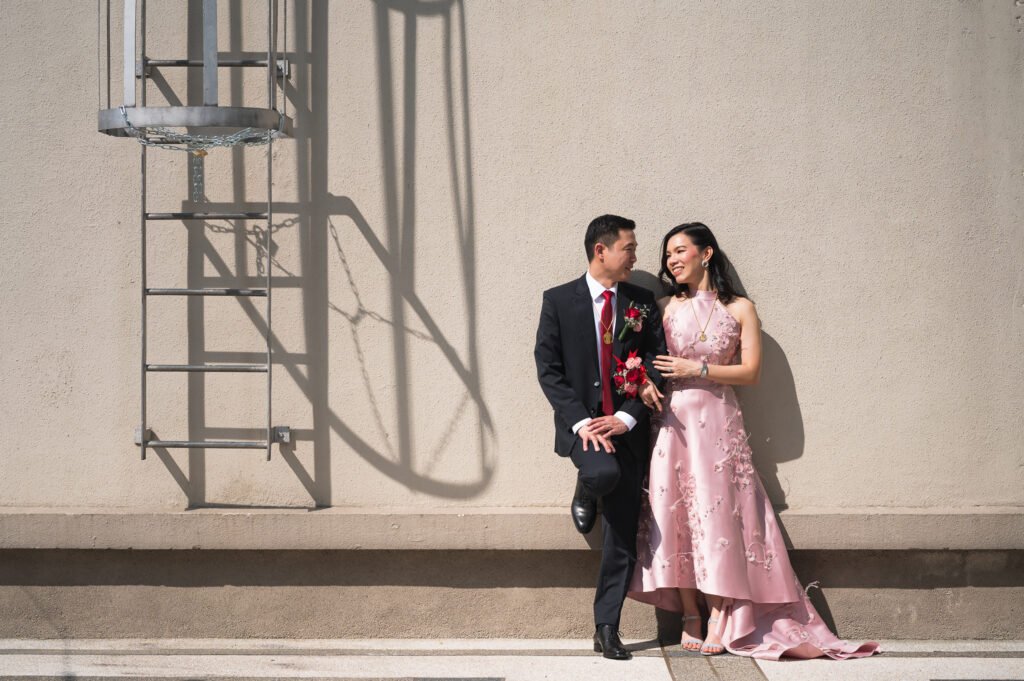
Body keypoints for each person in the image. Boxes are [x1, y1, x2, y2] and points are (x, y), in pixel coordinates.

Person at [627, 222, 880, 660]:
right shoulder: (665, 307)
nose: (672, 260)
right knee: (676, 514)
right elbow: (642, 360)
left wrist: (697, 369)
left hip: (718, 422)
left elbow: (751, 372)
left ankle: (719, 616)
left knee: (718, 518)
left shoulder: (741, 308)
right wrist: (645, 381)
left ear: (706, 253)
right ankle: (690, 613)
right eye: (667, 254)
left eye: (680, 250)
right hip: (671, 422)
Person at [534, 215, 667, 660]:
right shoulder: (558, 300)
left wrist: (628, 417)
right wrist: (581, 423)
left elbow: (657, 359)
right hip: (584, 426)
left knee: (623, 530)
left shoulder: (641, 302)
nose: (635, 257)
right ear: (601, 251)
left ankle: (606, 627)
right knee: (602, 473)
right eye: (629, 248)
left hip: (626, 428)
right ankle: (588, 485)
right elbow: (549, 369)